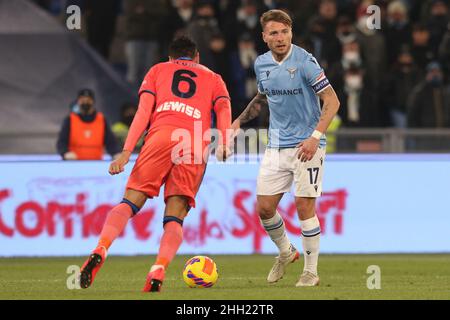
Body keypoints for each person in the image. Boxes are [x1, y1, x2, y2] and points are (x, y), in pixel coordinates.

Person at [79, 36, 232, 292]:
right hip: (193, 143)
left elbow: (143, 112)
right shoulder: (214, 78)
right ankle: (158, 267)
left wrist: (127, 152)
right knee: (175, 216)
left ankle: (101, 247)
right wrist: (225, 141)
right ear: (196, 58)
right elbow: (224, 108)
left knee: (129, 202)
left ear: (170, 58)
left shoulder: (157, 70)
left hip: (160, 136)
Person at [231, 10, 340, 287]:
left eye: (284, 32)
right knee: (265, 208)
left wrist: (315, 136)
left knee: (304, 207)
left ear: (291, 33)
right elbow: (262, 98)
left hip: (307, 145)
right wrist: (237, 122)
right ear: (264, 37)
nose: (280, 38)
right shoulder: (261, 64)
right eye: (274, 33)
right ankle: (285, 251)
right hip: (277, 145)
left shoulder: (306, 62)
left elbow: (332, 101)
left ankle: (311, 272)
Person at [56, 89, 121, 160]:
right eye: (82, 100)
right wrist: (65, 153)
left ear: (93, 101)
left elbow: (111, 142)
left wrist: (116, 153)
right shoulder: (70, 119)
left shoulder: (101, 119)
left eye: (88, 100)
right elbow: (61, 142)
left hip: (96, 163)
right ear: (78, 102)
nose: (85, 102)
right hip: (74, 164)